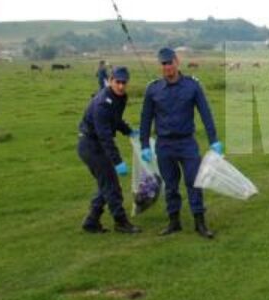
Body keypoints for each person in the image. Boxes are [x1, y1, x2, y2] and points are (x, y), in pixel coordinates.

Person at [140, 47, 224, 239]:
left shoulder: (192, 86)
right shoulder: (153, 89)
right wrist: (144, 144)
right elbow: (145, 119)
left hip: (187, 143)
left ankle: (200, 223)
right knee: (170, 185)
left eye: (170, 62)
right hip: (164, 145)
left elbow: (206, 114)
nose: (167, 67)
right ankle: (174, 222)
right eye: (163, 63)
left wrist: (214, 140)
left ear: (177, 62)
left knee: (194, 181)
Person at [77, 66, 141, 234]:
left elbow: (116, 119)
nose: (121, 86)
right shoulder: (102, 104)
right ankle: (121, 222)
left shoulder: (120, 97)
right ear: (110, 80)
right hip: (90, 145)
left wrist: (129, 131)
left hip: (96, 144)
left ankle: (91, 221)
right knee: (112, 185)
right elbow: (105, 137)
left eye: (124, 82)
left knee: (105, 183)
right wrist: (117, 161)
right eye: (117, 82)